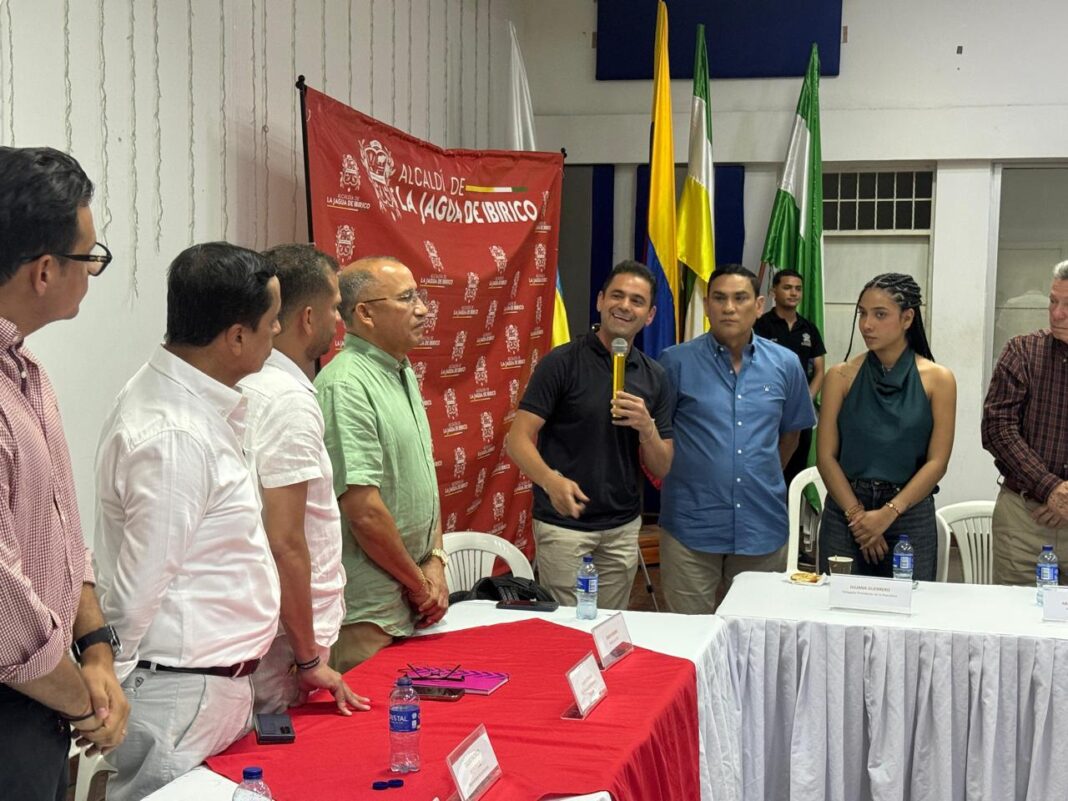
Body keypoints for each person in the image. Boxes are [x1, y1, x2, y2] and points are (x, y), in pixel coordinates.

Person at [94, 242, 283, 801]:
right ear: (237, 336)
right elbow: (140, 581)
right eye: (272, 325)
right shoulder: (176, 432)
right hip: (179, 691)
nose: (276, 338)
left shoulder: (186, 400)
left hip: (199, 686)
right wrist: (112, 685)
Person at [0, 146, 129, 800]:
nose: (93, 273)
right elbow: (3, 605)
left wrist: (98, 648)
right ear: (46, 270)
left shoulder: (29, 375)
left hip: (48, 692)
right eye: (91, 258)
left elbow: (60, 528)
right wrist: (86, 700)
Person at [238, 244, 370, 714]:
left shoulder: (249, 381)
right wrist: (308, 653)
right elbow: (286, 539)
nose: (340, 320)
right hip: (286, 645)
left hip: (274, 632)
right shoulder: (286, 398)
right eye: (336, 308)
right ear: (308, 317)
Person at [506, 260, 673, 608]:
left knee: (608, 629)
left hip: (622, 528)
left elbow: (662, 466)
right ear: (600, 301)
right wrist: (552, 482)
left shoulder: (655, 376)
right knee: (567, 631)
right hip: (565, 527)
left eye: (637, 301)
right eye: (617, 295)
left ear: (651, 315)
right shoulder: (561, 363)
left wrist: (647, 428)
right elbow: (517, 439)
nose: (625, 306)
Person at [316, 256, 447, 673]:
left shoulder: (400, 370)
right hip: (370, 614)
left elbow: (424, 481)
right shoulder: (346, 385)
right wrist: (420, 584)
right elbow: (364, 512)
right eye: (407, 298)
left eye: (419, 296)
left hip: (414, 601)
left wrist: (436, 563)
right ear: (365, 313)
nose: (423, 309)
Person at [659, 264, 816, 613]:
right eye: (720, 298)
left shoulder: (786, 364)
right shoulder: (675, 362)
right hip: (691, 526)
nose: (729, 307)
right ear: (707, 303)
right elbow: (660, 435)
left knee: (753, 637)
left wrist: (762, 473)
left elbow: (792, 432)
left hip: (761, 524)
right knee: (686, 636)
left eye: (740, 298)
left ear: (758, 305)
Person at [817, 273, 956, 580]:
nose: (867, 325)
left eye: (880, 315)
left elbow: (937, 462)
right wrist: (859, 518)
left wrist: (887, 514)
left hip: (909, 509)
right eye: (863, 314)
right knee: (838, 610)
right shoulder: (840, 376)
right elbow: (825, 457)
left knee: (908, 611)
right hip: (846, 507)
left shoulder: (938, 379)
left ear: (907, 318)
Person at [982, 261, 1068, 585]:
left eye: (1067, 305)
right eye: (1053, 301)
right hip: (1025, 517)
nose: (1056, 313)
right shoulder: (1023, 351)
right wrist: (1051, 488)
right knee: (1015, 623)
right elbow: (997, 428)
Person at [753, 268, 826, 486]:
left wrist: (805, 399)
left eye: (798, 289)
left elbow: (820, 369)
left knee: (795, 476)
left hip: (799, 414)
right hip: (767, 410)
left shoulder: (809, 328)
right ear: (774, 291)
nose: (793, 293)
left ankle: (790, 520)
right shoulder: (760, 325)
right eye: (787, 288)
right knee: (768, 473)